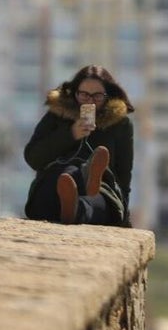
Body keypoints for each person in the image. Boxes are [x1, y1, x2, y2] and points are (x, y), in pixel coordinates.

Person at [24, 64, 134, 227]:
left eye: (97, 96)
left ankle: (77, 204)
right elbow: (33, 158)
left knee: (98, 202)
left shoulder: (120, 124)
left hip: (101, 189)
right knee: (68, 174)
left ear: (108, 96)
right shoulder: (57, 115)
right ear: (74, 93)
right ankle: (83, 178)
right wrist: (71, 134)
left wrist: (123, 212)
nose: (90, 101)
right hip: (53, 184)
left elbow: (124, 173)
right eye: (83, 95)